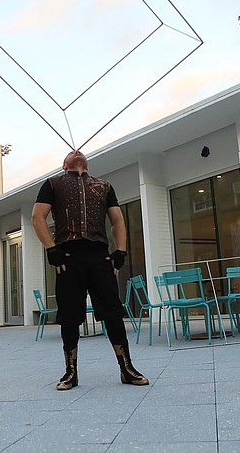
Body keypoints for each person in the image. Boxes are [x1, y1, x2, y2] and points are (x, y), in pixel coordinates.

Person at [32, 150, 148, 390]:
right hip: (68, 256)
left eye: (79, 152)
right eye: (70, 153)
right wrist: (51, 249)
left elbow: (117, 220)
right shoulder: (52, 183)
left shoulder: (104, 186)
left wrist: (121, 251)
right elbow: (37, 217)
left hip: (99, 256)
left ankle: (126, 368)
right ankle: (70, 372)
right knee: (70, 315)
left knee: (113, 312)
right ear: (64, 165)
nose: (76, 152)